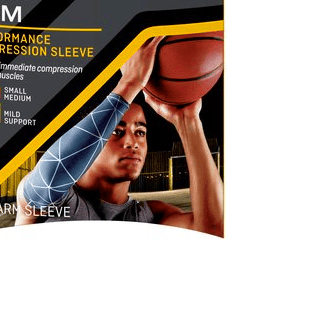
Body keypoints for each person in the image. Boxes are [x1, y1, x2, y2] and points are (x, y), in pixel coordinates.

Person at [15, 37, 224, 236]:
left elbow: (212, 231)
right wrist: (129, 85)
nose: (133, 142)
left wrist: (188, 121)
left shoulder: (152, 215)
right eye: (117, 131)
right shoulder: (54, 202)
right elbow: (48, 181)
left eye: (140, 132)